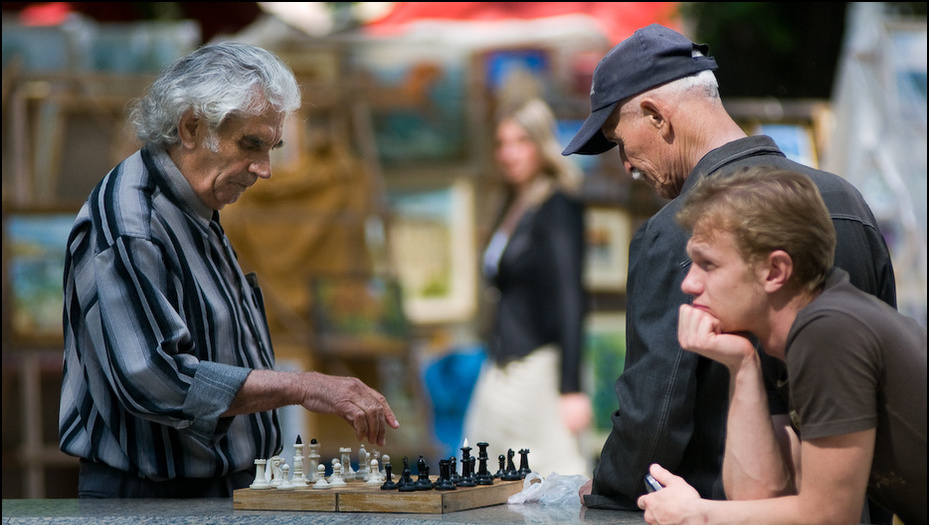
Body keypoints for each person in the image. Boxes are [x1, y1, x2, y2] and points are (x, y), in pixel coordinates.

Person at [562, 24, 897, 513]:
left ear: (656, 116)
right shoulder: (845, 199)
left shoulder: (677, 230)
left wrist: (613, 488)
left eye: (619, 140)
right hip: (854, 522)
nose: (626, 165)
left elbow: (654, 414)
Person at [59, 42, 400, 499]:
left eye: (272, 146)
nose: (265, 169)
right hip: (150, 506)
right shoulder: (131, 223)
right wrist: (303, 386)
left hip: (209, 492)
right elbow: (158, 380)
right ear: (191, 127)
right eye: (251, 145)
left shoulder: (193, 205)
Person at [638, 166, 926, 525]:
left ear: (775, 271)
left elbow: (826, 524)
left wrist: (696, 518)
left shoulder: (828, 330)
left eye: (708, 264)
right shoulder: (790, 335)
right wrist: (742, 366)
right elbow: (761, 499)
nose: (688, 283)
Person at [462, 97, 592, 477]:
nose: (510, 153)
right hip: (501, 363)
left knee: (556, 478)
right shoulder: (510, 203)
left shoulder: (558, 206)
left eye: (521, 141)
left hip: (539, 366)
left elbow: (572, 296)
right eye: (502, 143)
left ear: (541, 144)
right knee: (480, 474)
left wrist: (571, 388)